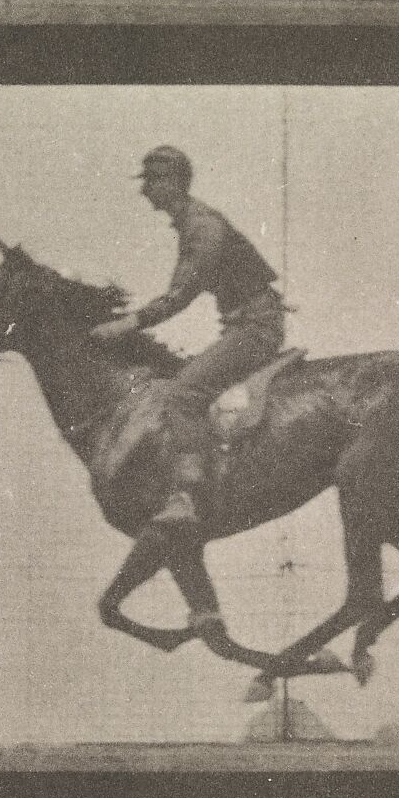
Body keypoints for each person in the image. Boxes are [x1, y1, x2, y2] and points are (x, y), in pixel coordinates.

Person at [91, 146, 286, 527]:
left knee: (182, 393)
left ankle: (187, 496)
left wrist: (127, 324)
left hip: (255, 327)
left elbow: (180, 295)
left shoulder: (203, 227)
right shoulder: (192, 224)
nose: (144, 191)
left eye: (151, 181)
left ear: (173, 184)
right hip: (245, 324)